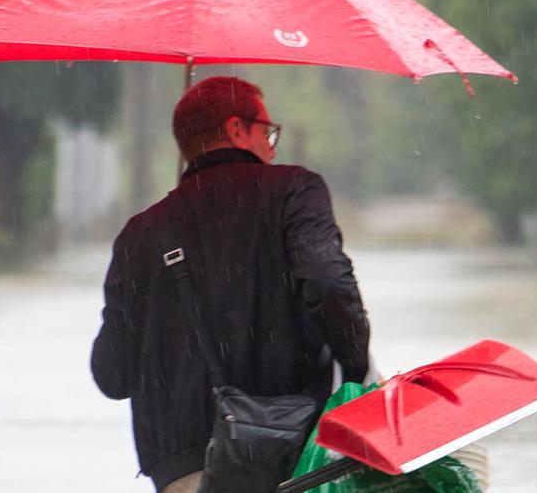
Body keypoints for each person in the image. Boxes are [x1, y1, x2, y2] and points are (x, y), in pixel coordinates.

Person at [90, 76, 372, 493]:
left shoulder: (141, 233)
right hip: (290, 455)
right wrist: (355, 369)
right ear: (236, 129)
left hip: (183, 469)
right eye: (267, 131)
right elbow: (328, 282)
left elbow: (111, 376)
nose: (272, 147)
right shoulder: (294, 191)